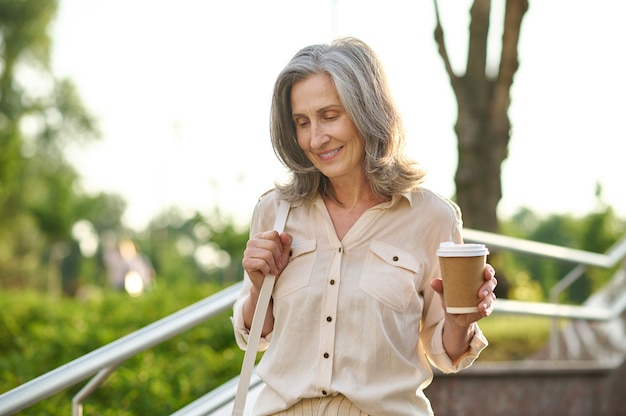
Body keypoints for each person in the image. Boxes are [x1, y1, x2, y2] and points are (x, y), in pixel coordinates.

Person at [232, 37, 497, 415]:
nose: (315, 138)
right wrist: (260, 287)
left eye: (330, 115)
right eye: (302, 122)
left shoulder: (431, 217)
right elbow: (255, 337)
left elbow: (447, 354)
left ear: (367, 111)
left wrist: (460, 322)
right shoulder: (276, 212)